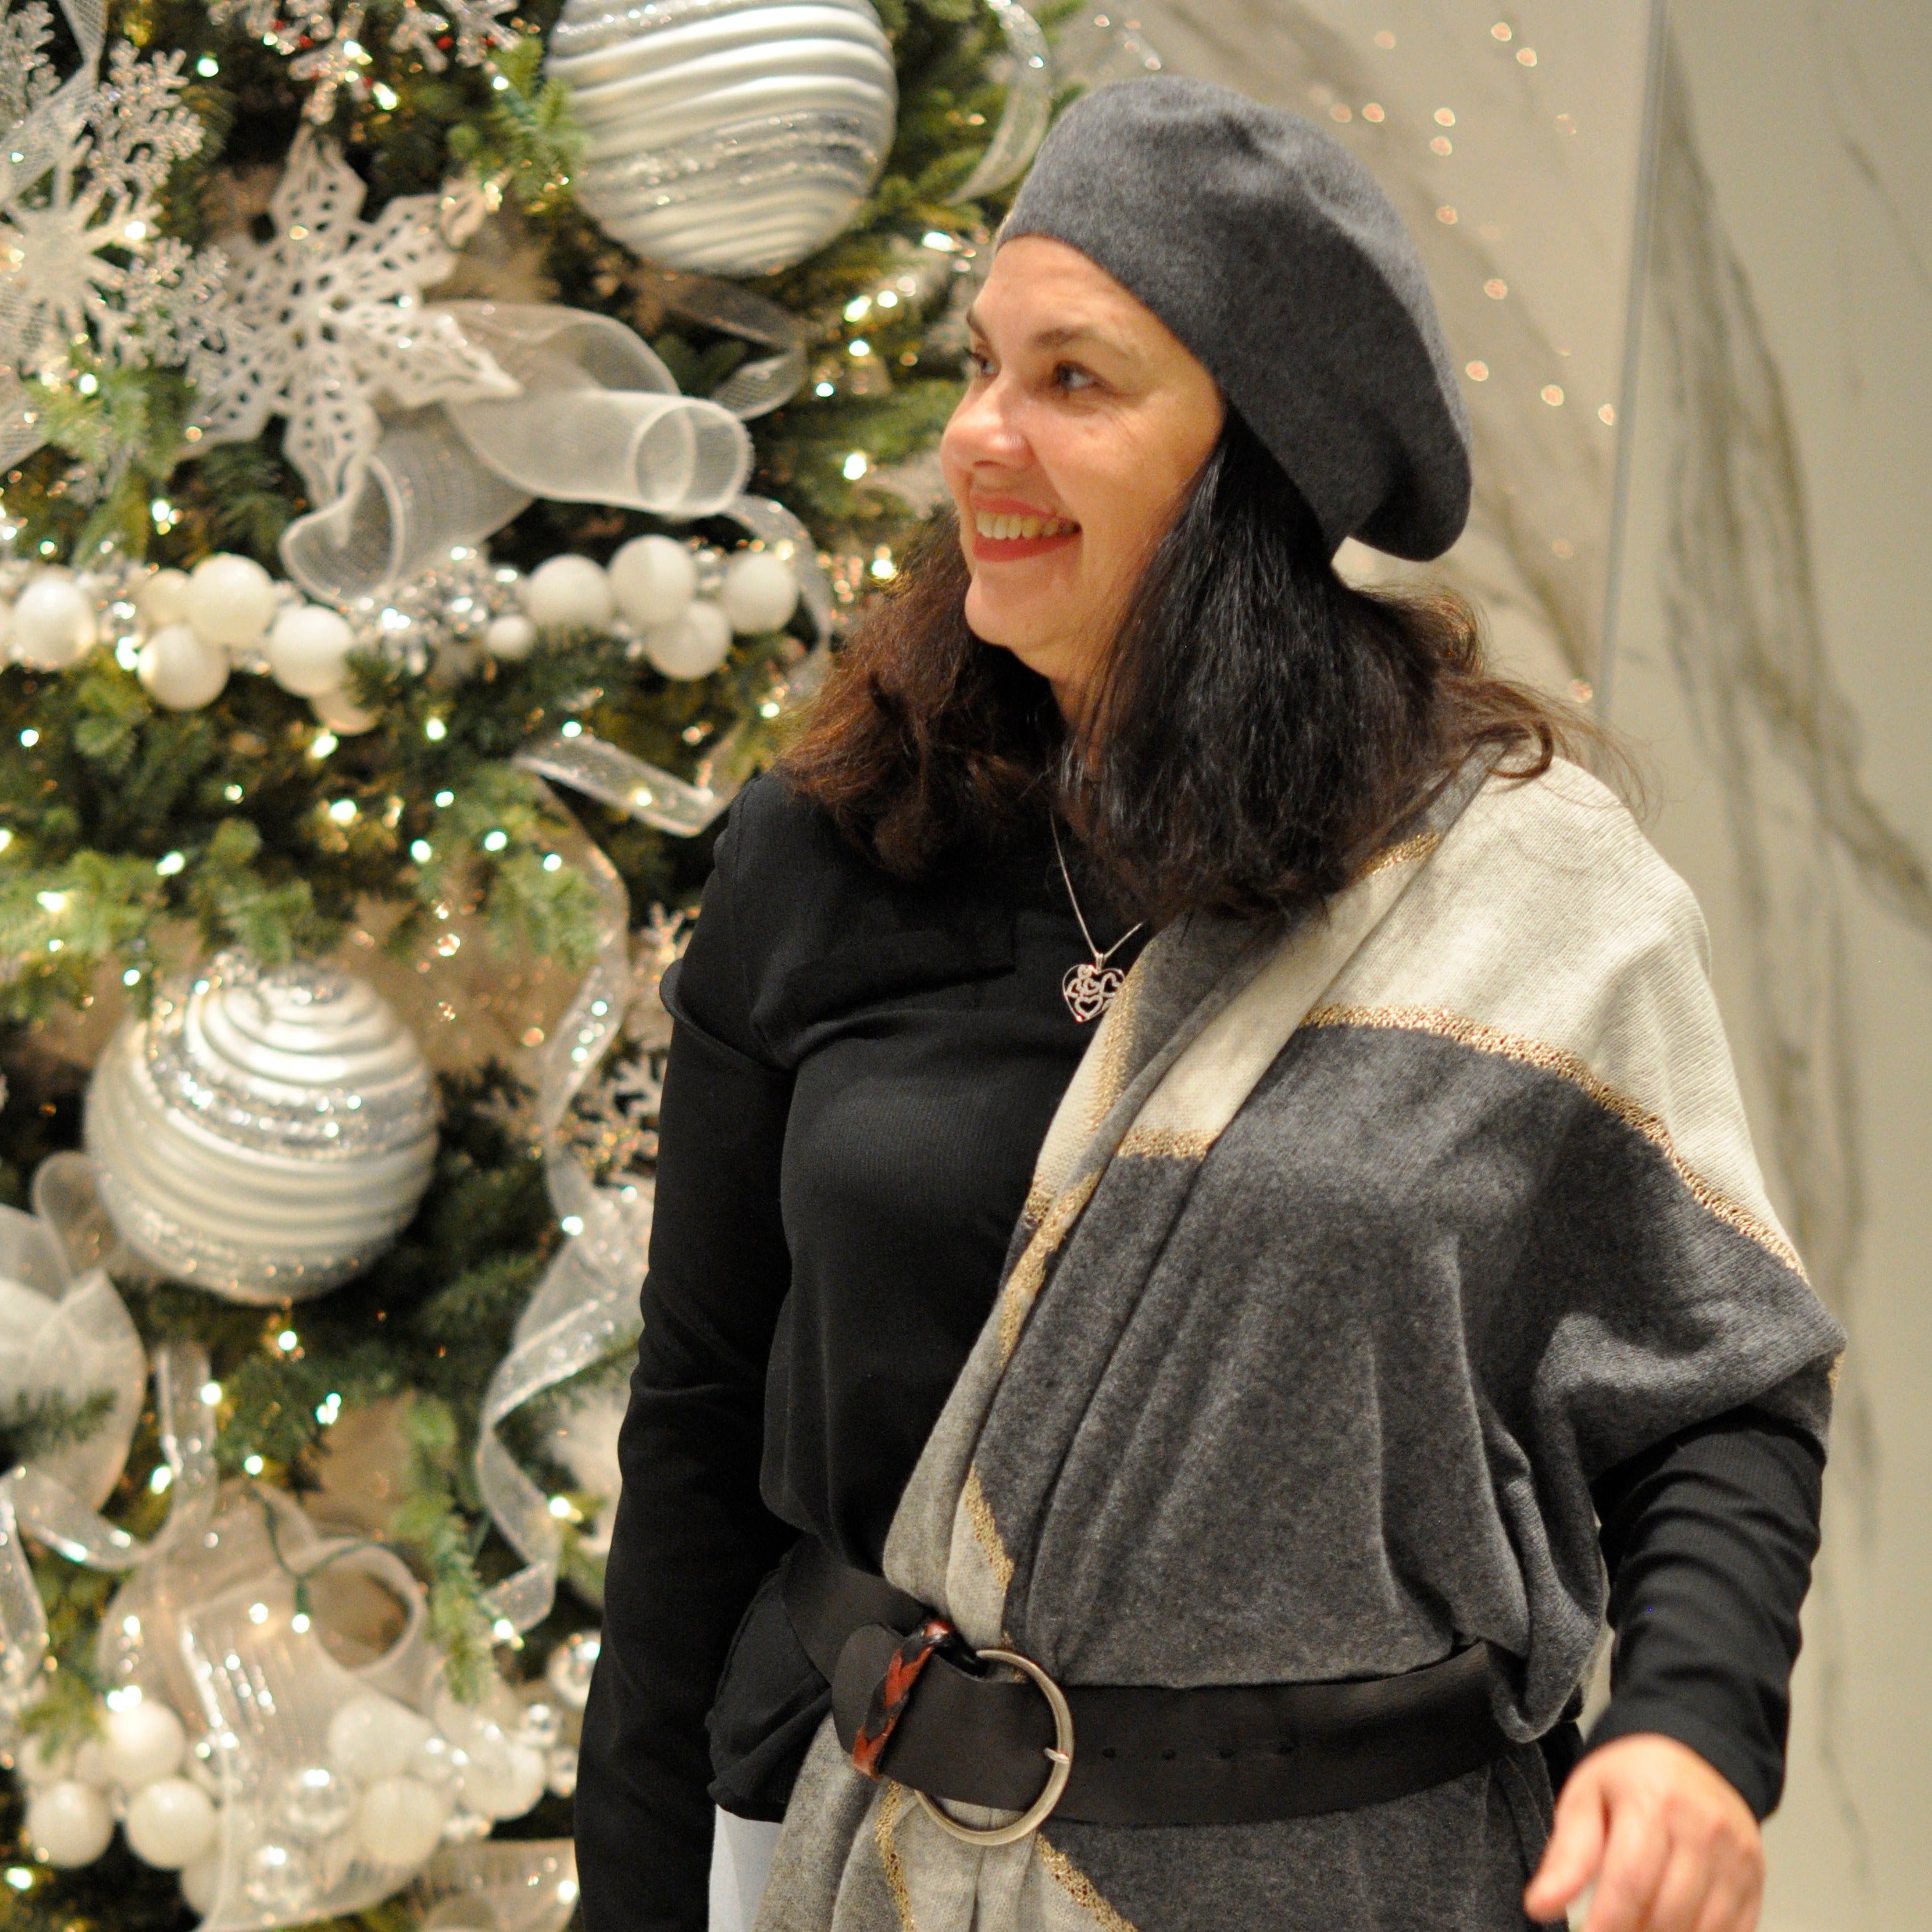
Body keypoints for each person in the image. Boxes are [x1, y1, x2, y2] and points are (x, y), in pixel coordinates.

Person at [576, 76, 1843, 1932]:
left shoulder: (1515, 893)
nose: (981, 440)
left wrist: (1691, 1727)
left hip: (1365, 1878)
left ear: (1255, 460)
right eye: (982, 364)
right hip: (866, 1858)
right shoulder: (835, 846)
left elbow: (1714, 1388)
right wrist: (631, 1902)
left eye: (1075, 382)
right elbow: (694, 1440)